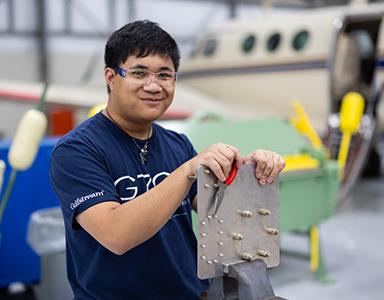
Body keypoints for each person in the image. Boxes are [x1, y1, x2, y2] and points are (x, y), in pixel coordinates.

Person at [49, 20, 285, 300]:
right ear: (111, 77)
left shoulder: (177, 144)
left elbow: (224, 218)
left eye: (165, 75)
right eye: (139, 73)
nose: (154, 85)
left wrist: (253, 175)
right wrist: (186, 171)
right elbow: (116, 235)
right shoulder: (77, 150)